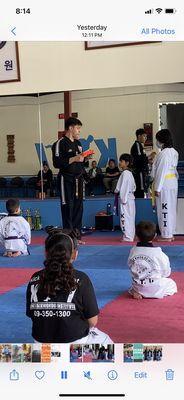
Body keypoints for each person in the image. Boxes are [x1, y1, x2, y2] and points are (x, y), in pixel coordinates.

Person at [26, 230, 112, 343]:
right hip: (75, 343)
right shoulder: (82, 279)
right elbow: (93, 321)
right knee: (114, 348)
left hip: (41, 344)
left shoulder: (34, 278)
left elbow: (31, 314)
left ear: (45, 253)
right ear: (75, 254)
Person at [52, 117, 85, 238]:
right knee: (68, 206)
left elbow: (80, 161)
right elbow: (57, 163)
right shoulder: (60, 143)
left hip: (78, 179)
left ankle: (77, 235)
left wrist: (84, 158)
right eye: (77, 128)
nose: (79, 131)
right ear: (70, 128)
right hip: (66, 179)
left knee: (78, 206)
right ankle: (68, 236)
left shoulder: (79, 144)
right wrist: (74, 158)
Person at [128, 220, 177, 299]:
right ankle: (150, 293)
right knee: (172, 284)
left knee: (136, 282)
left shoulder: (133, 251)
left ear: (136, 236)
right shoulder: (158, 253)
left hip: (138, 285)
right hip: (155, 287)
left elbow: (130, 265)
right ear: (155, 236)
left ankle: (136, 291)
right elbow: (166, 272)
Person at [152, 129, 179, 241]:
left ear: (161, 140)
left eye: (157, 139)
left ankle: (166, 235)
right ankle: (170, 233)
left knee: (164, 209)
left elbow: (161, 172)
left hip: (164, 184)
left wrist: (157, 188)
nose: (156, 142)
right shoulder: (174, 152)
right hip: (172, 182)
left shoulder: (164, 154)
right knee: (171, 208)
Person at [115, 154, 136, 242]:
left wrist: (123, 199)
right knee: (130, 218)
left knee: (125, 217)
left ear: (127, 163)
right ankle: (130, 235)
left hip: (126, 199)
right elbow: (134, 187)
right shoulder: (129, 173)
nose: (119, 163)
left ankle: (128, 236)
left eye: (121, 161)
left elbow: (124, 187)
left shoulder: (126, 173)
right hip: (130, 198)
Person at [130, 128, 148, 198]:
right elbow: (139, 159)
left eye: (146, 136)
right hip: (139, 172)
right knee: (140, 189)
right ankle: (139, 205)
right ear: (139, 136)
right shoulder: (137, 145)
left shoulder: (140, 146)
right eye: (144, 136)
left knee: (142, 190)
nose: (145, 138)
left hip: (142, 171)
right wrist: (148, 158)